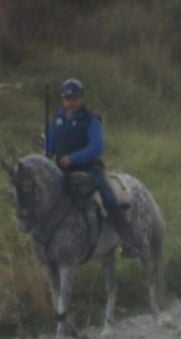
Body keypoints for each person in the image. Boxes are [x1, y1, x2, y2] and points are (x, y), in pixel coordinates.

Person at [45, 78, 143, 257]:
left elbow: (96, 147)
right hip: (60, 169)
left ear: (81, 99)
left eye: (74, 98)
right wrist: (47, 149)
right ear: (62, 100)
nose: (71, 102)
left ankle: (128, 242)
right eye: (67, 99)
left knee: (109, 197)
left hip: (88, 168)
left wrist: (73, 158)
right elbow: (51, 146)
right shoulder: (57, 118)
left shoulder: (91, 119)